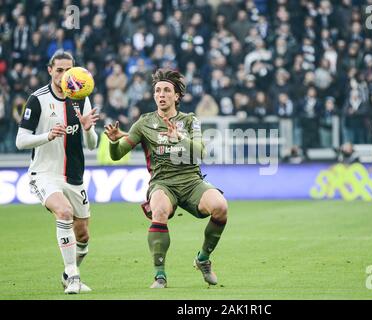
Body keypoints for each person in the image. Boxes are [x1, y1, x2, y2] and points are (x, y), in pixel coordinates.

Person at [104, 68, 228, 289]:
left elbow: (200, 152)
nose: (161, 94)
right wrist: (114, 142)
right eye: (158, 91)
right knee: (159, 210)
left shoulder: (190, 121)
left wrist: (178, 136)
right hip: (162, 183)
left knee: (220, 207)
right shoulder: (143, 123)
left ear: (176, 96)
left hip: (191, 181)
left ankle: (203, 259)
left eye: (167, 90)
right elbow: (117, 155)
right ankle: (160, 275)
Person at [15, 50, 99, 294]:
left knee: (83, 235)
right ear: (50, 70)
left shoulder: (81, 96)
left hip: (74, 176)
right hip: (44, 173)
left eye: (68, 70)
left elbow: (92, 145)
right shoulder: (37, 99)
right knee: (63, 212)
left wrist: (87, 129)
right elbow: (21, 141)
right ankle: (73, 276)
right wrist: (47, 136)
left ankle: (67, 272)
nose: (64, 75)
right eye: (59, 70)